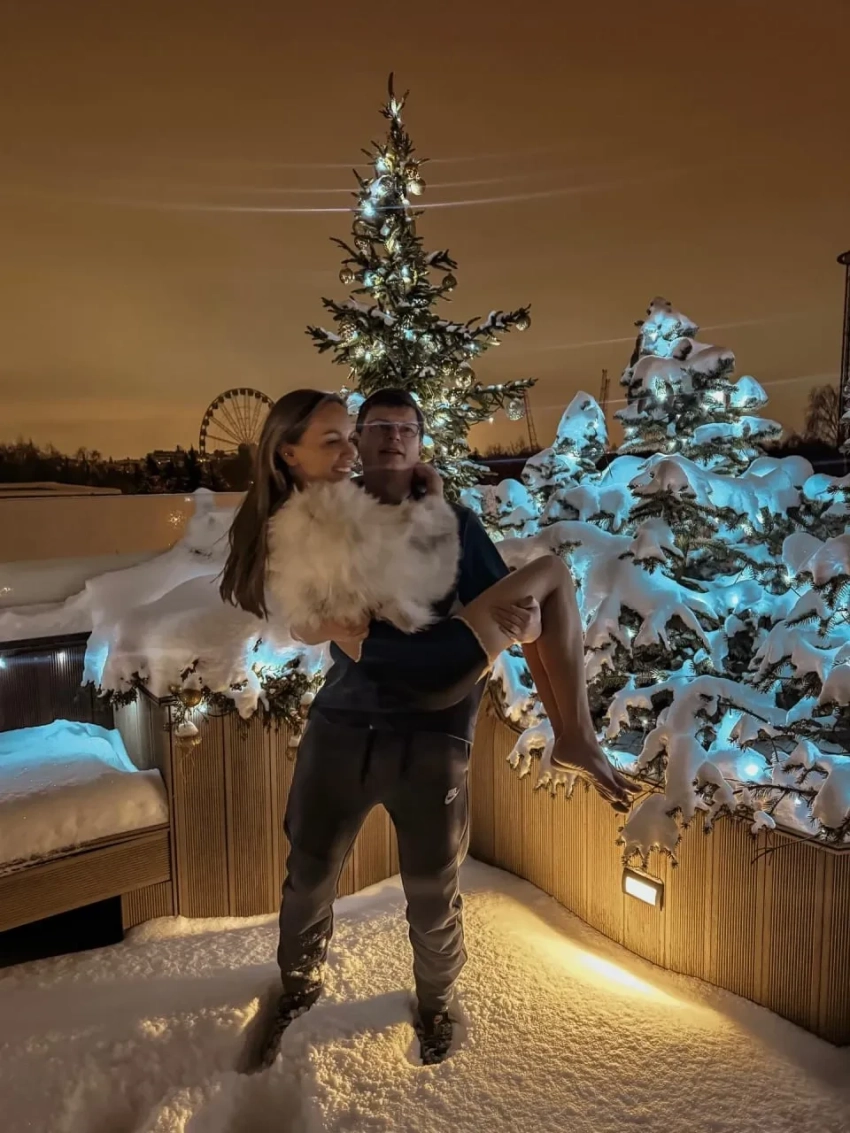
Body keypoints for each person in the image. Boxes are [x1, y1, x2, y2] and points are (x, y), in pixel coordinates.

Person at [221, 388, 636, 1070]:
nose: (390, 437)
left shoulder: (458, 526)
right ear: (359, 440)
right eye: (375, 427)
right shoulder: (330, 513)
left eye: (405, 429)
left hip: (435, 731)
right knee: (309, 874)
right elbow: (305, 600)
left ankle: (437, 1002)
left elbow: (520, 614)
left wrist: (523, 621)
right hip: (345, 724)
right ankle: (298, 985)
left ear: (420, 443)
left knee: (431, 886)